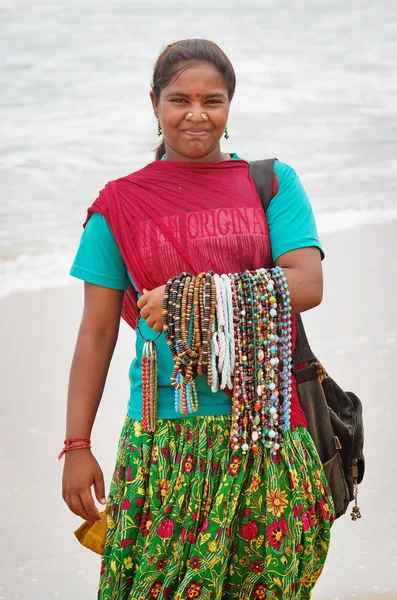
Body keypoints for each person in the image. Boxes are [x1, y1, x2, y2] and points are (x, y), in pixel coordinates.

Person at [62, 38, 334, 600]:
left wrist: (190, 297)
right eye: (179, 99)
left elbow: (307, 284)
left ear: (229, 106)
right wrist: (76, 445)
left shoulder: (272, 184)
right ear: (155, 103)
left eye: (212, 100)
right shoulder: (120, 205)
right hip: (164, 438)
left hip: (269, 433)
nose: (196, 114)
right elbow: (95, 332)